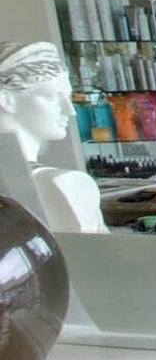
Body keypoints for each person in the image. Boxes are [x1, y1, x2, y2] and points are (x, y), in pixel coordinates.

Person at [0, 42, 106, 233]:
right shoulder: (67, 184)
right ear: (6, 99)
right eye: (51, 96)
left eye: (68, 97)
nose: (70, 110)